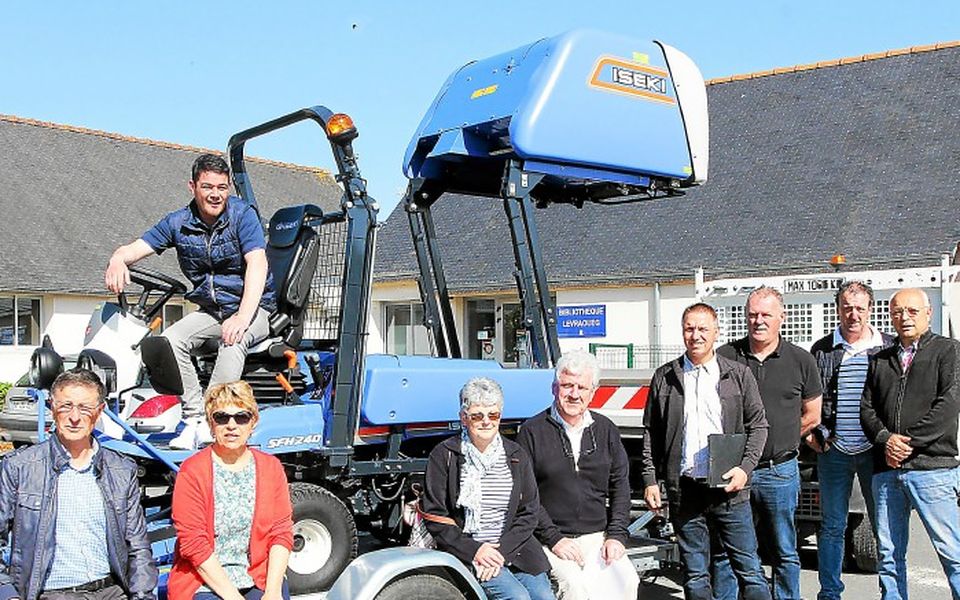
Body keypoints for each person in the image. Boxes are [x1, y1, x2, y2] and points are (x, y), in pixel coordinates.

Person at [105, 153, 276, 449]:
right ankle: (194, 418)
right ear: (192, 187)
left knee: (232, 340)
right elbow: (135, 248)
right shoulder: (178, 223)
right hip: (212, 310)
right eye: (208, 187)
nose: (215, 194)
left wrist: (242, 317)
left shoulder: (243, 216)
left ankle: (213, 420)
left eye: (222, 188)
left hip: (254, 308)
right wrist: (117, 259)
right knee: (170, 341)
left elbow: (257, 265)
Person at [641, 303, 771, 600]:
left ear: (716, 333)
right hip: (685, 491)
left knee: (749, 572)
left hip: (730, 489)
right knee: (695, 575)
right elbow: (651, 431)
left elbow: (758, 426)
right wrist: (650, 479)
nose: (695, 335)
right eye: (689, 328)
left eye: (703, 329)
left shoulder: (737, 375)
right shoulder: (665, 377)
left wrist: (745, 468)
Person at [0, 368, 158, 600]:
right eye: (66, 406)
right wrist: (7, 593)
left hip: (112, 592)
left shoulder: (122, 470)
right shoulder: (20, 467)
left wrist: (143, 595)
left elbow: (138, 547)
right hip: (51, 594)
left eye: (85, 408)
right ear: (52, 407)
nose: (75, 417)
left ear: (99, 411)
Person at [714, 286, 822, 600]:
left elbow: (812, 414)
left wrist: (781, 439)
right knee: (726, 549)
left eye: (766, 315)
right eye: (752, 315)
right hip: (733, 472)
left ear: (781, 318)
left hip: (779, 472)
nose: (758, 321)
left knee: (784, 549)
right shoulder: (725, 357)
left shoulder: (801, 360)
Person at [860, 288, 960, 600]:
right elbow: (866, 408)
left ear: (928, 314)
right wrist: (885, 439)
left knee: (953, 553)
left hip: (933, 470)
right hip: (886, 472)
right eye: (898, 311)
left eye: (912, 311)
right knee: (889, 557)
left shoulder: (948, 351)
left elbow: (949, 404)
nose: (904, 317)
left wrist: (908, 443)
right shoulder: (880, 359)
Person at [516, 350, 639, 600]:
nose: (574, 394)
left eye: (582, 387)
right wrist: (554, 539)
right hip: (548, 539)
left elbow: (620, 487)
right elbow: (526, 495)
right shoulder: (532, 431)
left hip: (597, 538)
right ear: (554, 388)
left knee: (626, 582)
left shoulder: (606, 430)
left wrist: (616, 536)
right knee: (575, 588)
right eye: (567, 385)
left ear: (593, 392)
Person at [422, 377, 554, 600]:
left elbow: (529, 512)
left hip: (514, 549)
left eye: (493, 415)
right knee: (517, 597)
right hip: (466, 551)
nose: (486, 421)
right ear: (464, 418)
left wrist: (498, 553)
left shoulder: (516, 455)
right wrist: (477, 551)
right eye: (477, 415)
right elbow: (435, 515)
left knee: (544, 597)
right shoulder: (444, 455)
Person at [807, 281, 893, 600]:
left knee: (884, 527)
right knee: (831, 527)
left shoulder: (888, 348)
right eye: (847, 307)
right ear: (838, 309)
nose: (853, 314)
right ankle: (830, 594)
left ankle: (891, 593)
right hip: (834, 452)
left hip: (875, 452)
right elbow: (810, 399)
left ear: (870, 309)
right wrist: (811, 434)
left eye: (859, 307)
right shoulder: (823, 349)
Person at [169, 381, 293, 600]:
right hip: (206, 583)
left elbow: (280, 533)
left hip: (258, 577)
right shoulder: (192, 471)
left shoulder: (271, 467)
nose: (232, 425)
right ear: (210, 423)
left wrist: (273, 592)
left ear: (253, 422)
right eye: (222, 417)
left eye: (241, 417)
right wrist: (234, 597)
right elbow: (193, 544)